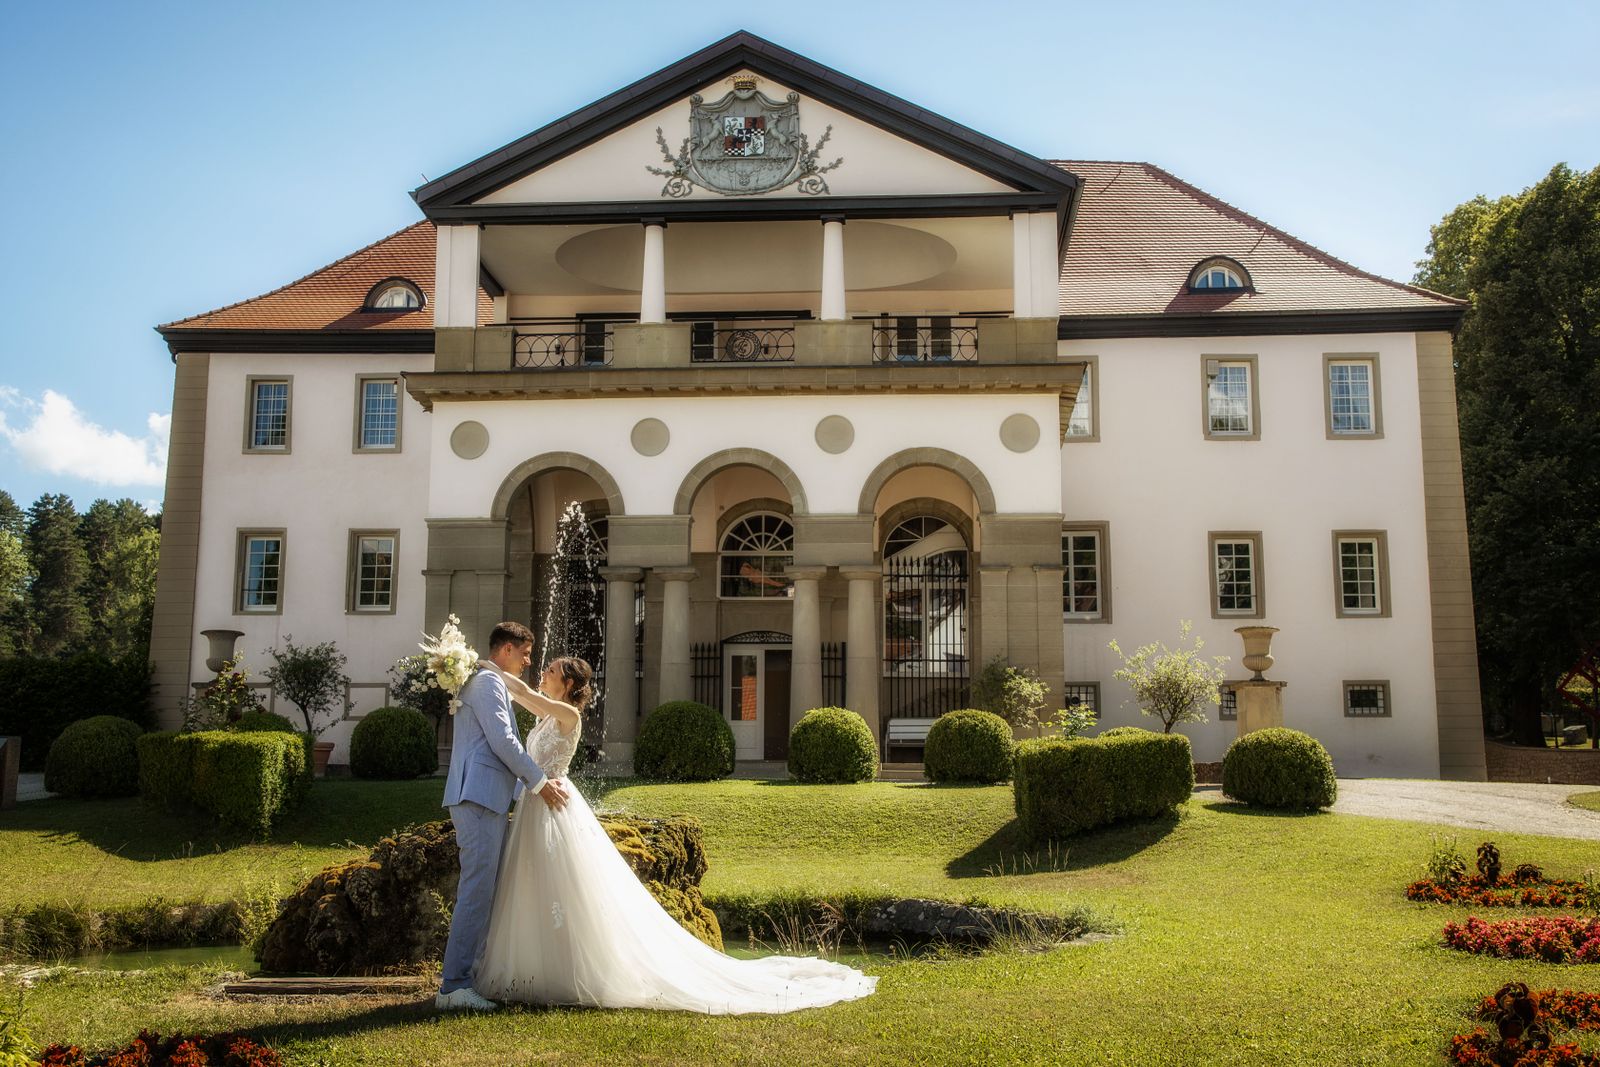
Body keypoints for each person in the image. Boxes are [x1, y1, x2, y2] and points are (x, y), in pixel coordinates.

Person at [475, 654, 878, 1014]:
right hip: (536, 804)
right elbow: (525, 698)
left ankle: (570, 971)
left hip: (555, 804)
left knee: (565, 885)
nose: (543, 672)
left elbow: (523, 692)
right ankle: (532, 967)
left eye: (551, 670)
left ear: (568, 684)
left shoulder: (568, 715)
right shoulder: (546, 715)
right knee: (535, 884)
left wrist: (479, 665)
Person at [435, 621, 570, 1012]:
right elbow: (503, 741)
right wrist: (539, 783)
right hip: (478, 797)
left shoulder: (486, 681)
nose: (528, 662)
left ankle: (470, 978)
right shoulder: (488, 683)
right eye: (525, 654)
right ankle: (454, 986)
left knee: (483, 889)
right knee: (476, 890)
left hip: (485, 797)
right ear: (506, 649)